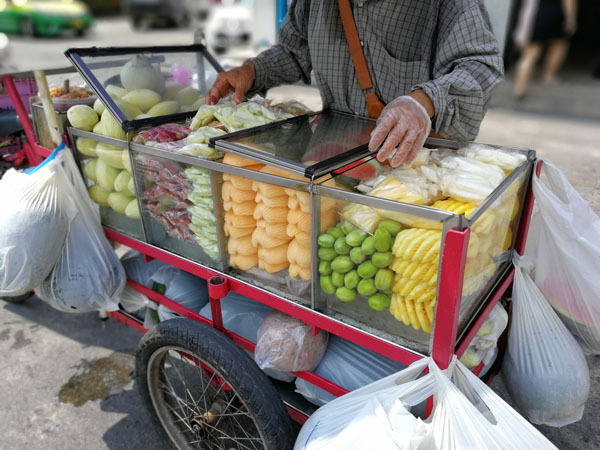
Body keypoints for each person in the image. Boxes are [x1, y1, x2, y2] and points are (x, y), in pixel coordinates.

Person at [207, 0, 503, 167]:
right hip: (336, 161)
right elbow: (295, 51)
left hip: (415, 171)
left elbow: (480, 66)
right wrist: (253, 71)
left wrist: (423, 102)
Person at [513, 0, 578, 98]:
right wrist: (571, 18)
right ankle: (549, 76)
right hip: (557, 13)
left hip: (535, 13)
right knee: (558, 46)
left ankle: (520, 88)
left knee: (529, 54)